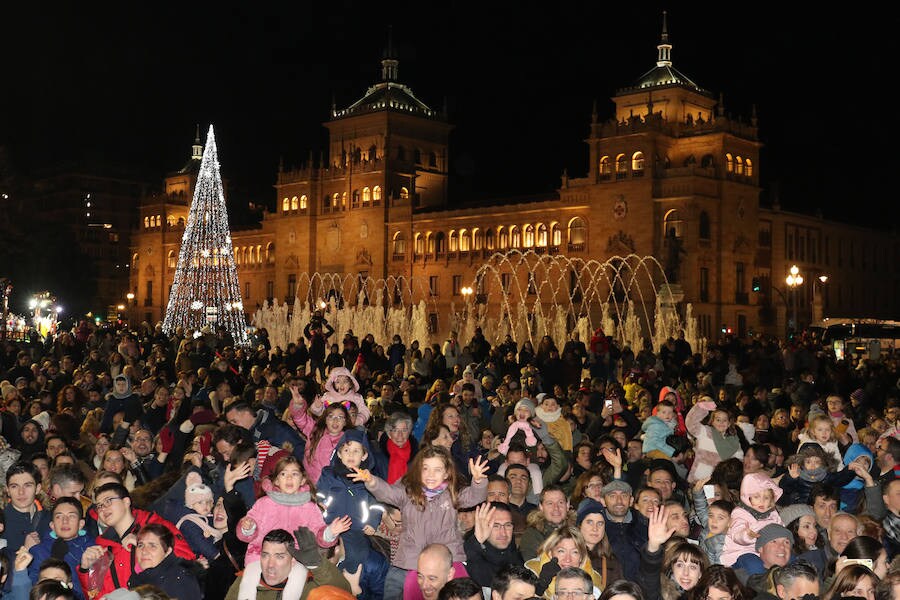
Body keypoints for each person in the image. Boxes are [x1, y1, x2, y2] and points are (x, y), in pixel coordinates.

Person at [348, 444, 488, 600]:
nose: (430, 474)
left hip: (448, 557)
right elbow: (387, 493)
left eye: (437, 469)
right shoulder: (408, 492)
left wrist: (478, 480)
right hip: (411, 558)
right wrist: (371, 481)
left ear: (447, 473)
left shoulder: (452, 494)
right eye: (425, 468)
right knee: (394, 589)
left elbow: (474, 497)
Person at [236, 455, 349, 600]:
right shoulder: (263, 503)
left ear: (302, 480)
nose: (289, 478)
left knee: (296, 582)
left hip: (296, 559)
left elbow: (318, 534)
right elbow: (249, 530)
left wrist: (330, 532)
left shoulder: (310, 507)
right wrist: (248, 527)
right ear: (276, 480)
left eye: (294, 474)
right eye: (283, 474)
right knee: (248, 581)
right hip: (260, 556)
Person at [76, 482, 195, 598]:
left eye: (108, 501)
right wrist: (85, 570)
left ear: (126, 502)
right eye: (99, 506)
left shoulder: (156, 527)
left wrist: (144, 545)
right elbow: (95, 595)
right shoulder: (102, 547)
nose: (103, 509)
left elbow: (187, 561)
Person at [224, 528, 351, 600]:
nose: (270, 565)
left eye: (279, 557)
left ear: (293, 560)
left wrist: (317, 564)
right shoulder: (246, 580)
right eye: (265, 555)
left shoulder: (306, 584)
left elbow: (343, 592)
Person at [26, 497, 95, 600]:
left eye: (71, 516)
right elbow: (31, 590)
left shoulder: (92, 549)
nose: (65, 521)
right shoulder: (38, 551)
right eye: (59, 517)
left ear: (81, 524)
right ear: (52, 525)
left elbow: (94, 591)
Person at [639, 505, 709, 600]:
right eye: (680, 565)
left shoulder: (711, 595)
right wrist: (654, 544)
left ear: (700, 573)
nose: (686, 573)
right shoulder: (660, 594)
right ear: (671, 568)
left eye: (692, 567)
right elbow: (650, 573)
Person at [288, 388, 353, 485]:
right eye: (331, 416)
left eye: (340, 417)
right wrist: (298, 405)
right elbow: (300, 418)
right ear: (325, 419)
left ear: (345, 421)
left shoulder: (349, 441)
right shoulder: (316, 431)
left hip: (333, 487)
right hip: (310, 484)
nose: (335, 421)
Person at [720, 472, 784, 567]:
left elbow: (781, 529)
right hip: (741, 553)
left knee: (788, 558)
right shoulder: (740, 513)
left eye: (766, 498)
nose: (762, 501)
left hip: (766, 553)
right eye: (756, 497)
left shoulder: (773, 514)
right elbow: (737, 534)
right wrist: (748, 536)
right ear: (747, 497)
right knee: (753, 563)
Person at [126, 523, 202, 599]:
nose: (144, 551)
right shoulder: (138, 580)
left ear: (168, 551)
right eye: (140, 545)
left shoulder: (180, 581)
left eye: (152, 546)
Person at [463, 502, 523, 589]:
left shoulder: (513, 552)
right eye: (496, 526)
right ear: (483, 526)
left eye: (508, 525)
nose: (503, 533)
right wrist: (476, 542)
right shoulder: (471, 555)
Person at [685, 398, 744, 482]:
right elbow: (691, 423)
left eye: (724, 420)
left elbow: (739, 461)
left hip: (719, 483)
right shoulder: (705, 432)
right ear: (712, 421)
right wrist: (701, 407)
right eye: (718, 420)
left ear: (729, 423)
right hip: (698, 479)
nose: (721, 423)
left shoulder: (733, 441)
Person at [4, 462, 51, 553]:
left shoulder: (51, 519)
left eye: (27, 485)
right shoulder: (2, 521)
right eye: (14, 486)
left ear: (37, 488)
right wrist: (25, 550)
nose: (21, 492)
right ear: (8, 490)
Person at [576, 499, 624, 588]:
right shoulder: (567, 556)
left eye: (600, 523)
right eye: (589, 522)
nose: (595, 528)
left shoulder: (612, 562)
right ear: (579, 525)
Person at [520, 486, 572, 561]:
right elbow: (531, 567)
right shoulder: (531, 535)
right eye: (550, 503)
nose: (556, 508)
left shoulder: (578, 530)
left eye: (560, 502)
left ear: (567, 505)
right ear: (541, 507)